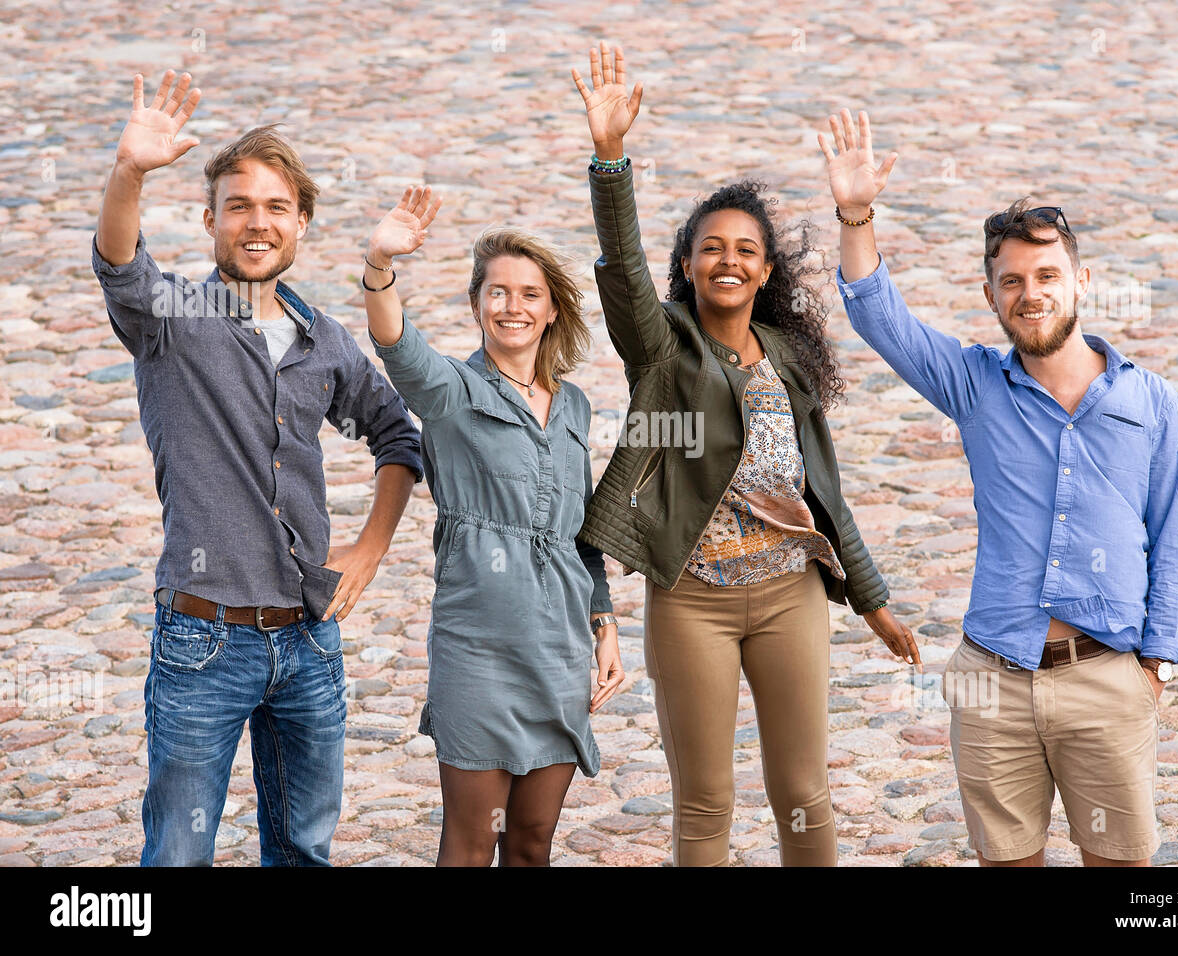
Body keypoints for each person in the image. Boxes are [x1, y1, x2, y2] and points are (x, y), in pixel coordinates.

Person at [571, 44, 920, 867]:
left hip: (788, 595)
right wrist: (611, 161)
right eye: (711, 248)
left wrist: (871, 603)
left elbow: (822, 496)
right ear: (687, 266)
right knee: (705, 801)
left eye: (745, 251)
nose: (728, 260)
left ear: (765, 271)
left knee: (804, 793)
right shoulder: (664, 351)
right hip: (691, 603)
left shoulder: (788, 360)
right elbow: (622, 272)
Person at [821, 109, 1178, 866]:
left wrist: (1154, 666)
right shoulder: (973, 385)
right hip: (995, 679)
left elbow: (1174, 531)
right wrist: (857, 213)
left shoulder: (1150, 401)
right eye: (1012, 281)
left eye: (1048, 276)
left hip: (1107, 680)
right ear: (991, 295)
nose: (1032, 293)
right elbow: (876, 313)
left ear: (1080, 282)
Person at [91, 71, 424, 866]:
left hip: (309, 641)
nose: (257, 222)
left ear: (302, 224)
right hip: (202, 640)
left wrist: (371, 547)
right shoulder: (171, 321)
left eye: (277, 207)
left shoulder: (326, 341)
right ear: (210, 221)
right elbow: (119, 264)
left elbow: (398, 440)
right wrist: (130, 173)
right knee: (176, 856)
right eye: (238, 206)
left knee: (305, 851)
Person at [362, 186, 625, 867]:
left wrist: (606, 625)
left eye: (529, 293)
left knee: (534, 843)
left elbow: (582, 534)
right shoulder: (450, 391)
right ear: (477, 304)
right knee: (471, 843)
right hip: (477, 647)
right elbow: (395, 343)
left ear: (552, 309)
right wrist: (380, 263)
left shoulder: (574, 406)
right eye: (498, 293)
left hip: (559, 648)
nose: (513, 307)